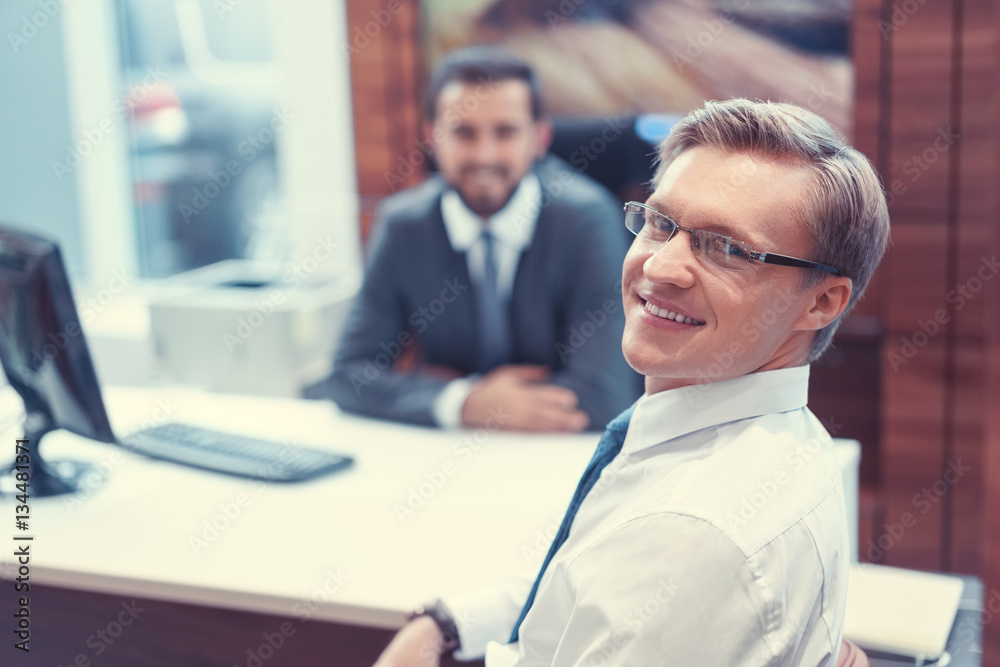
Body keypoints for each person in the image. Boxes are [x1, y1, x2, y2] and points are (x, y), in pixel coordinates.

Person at [372, 98, 891, 665]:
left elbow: (650, 570)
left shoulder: (686, 536)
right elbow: (587, 585)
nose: (661, 266)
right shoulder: (781, 441)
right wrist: (446, 626)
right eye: (661, 223)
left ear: (822, 302)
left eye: (728, 249)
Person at [321, 47, 637, 432]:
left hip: (554, 456)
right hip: (454, 452)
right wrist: (464, 402)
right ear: (432, 137)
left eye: (505, 132)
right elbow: (348, 376)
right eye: (462, 132)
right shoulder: (403, 225)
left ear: (539, 138)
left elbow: (604, 396)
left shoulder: (587, 220)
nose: (484, 155)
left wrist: (448, 388)